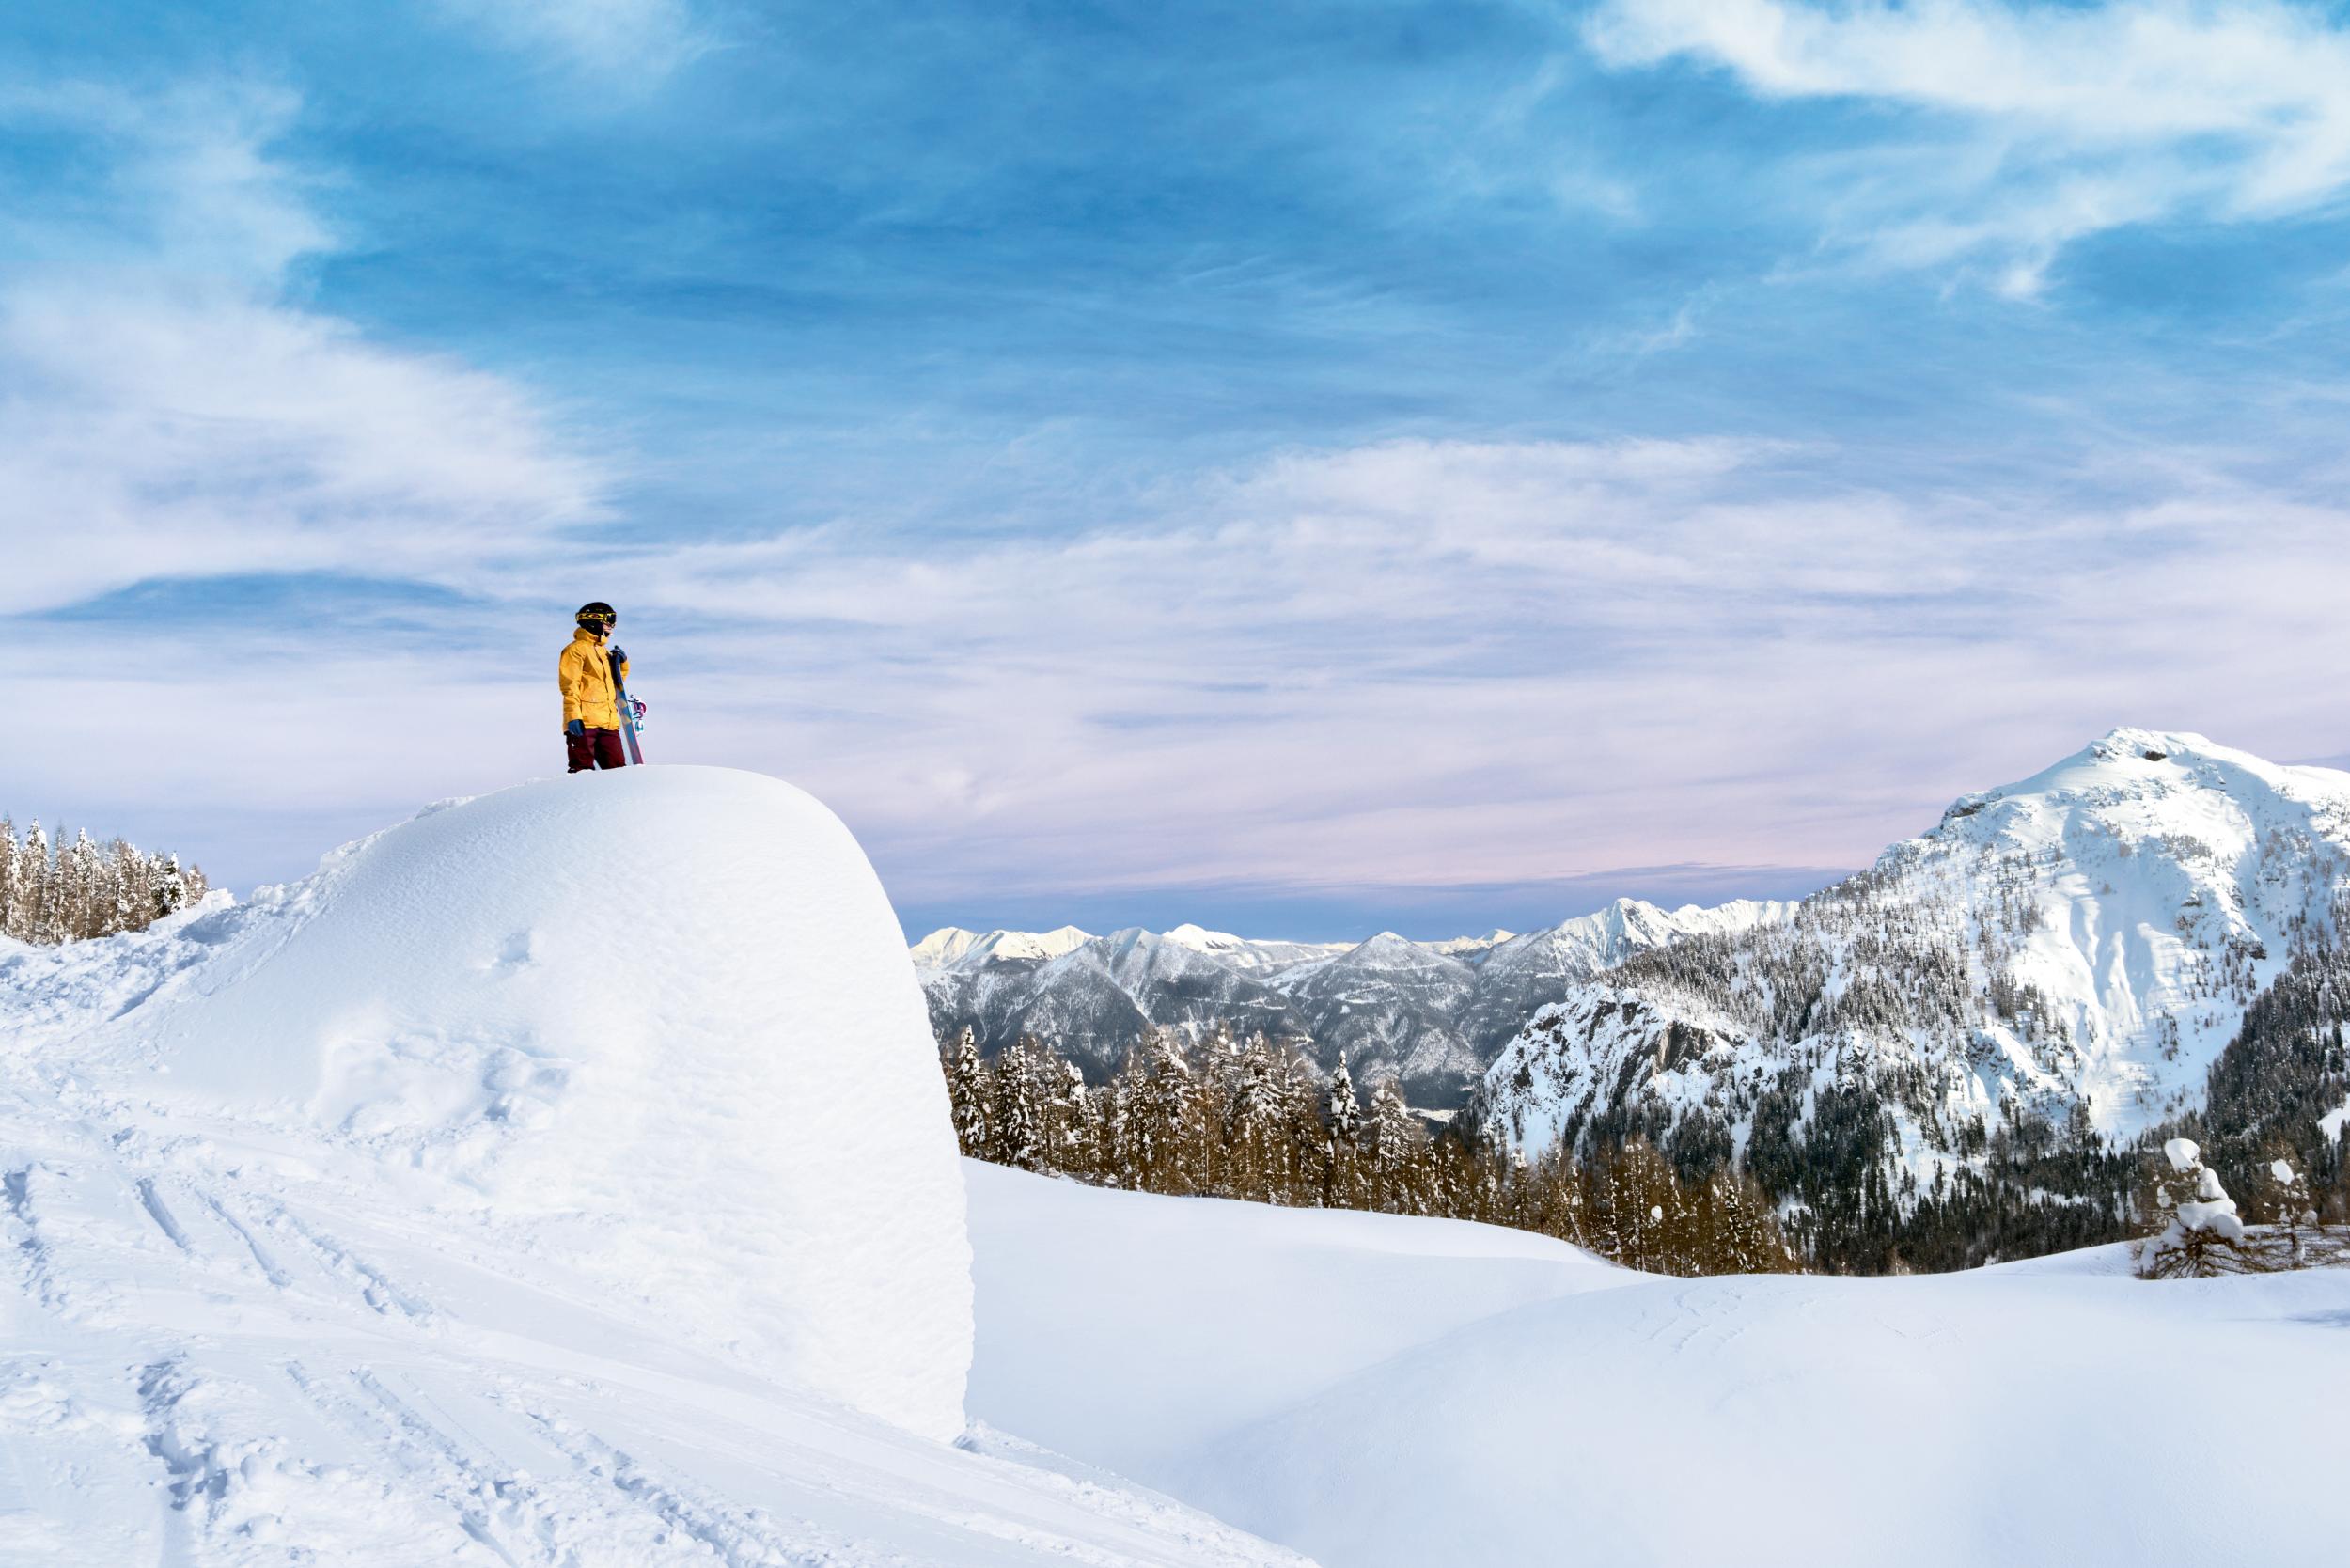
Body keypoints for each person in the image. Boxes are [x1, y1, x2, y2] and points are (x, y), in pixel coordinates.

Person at [559, 601, 632, 773]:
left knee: (617, 769)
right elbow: (570, 685)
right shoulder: (575, 650)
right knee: (582, 769)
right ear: (594, 620)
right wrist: (573, 716)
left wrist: (622, 664)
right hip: (584, 721)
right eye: (609, 620)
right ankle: (580, 800)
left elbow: (616, 685)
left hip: (608, 723)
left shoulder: (604, 652)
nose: (612, 625)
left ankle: (618, 800)